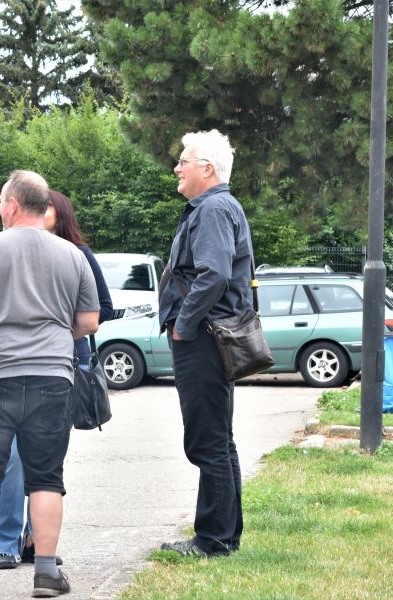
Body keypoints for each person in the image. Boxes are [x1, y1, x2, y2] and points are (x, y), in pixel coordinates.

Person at [0, 170, 100, 598]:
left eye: (0, 200)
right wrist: (54, 331)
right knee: (47, 478)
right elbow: (88, 321)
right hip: (53, 379)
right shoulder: (73, 256)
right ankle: (46, 573)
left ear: (12, 204)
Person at [0, 190, 113, 569]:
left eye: (45, 209)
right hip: (13, 366)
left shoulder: (77, 254)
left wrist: (58, 334)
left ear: (60, 216)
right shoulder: (10, 250)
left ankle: (35, 541)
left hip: (62, 366)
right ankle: (6, 543)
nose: (37, 214)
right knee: (12, 457)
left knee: (44, 458)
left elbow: (103, 309)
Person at [158, 130, 252, 558]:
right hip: (211, 336)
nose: (177, 167)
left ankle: (213, 539)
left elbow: (213, 274)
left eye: (184, 161)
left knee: (207, 441)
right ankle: (224, 535)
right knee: (218, 438)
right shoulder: (217, 206)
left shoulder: (213, 208)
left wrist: (184, 324)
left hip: (203, 337)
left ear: (207, 169)